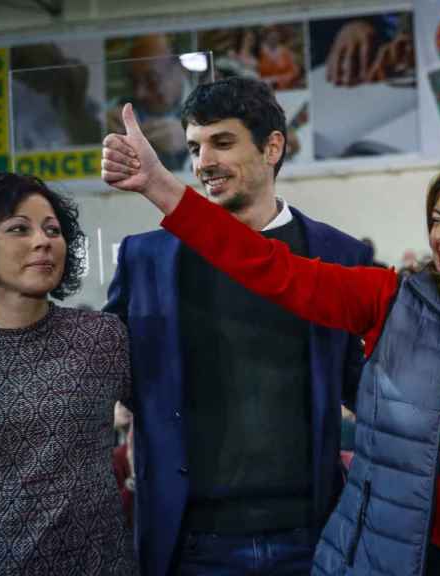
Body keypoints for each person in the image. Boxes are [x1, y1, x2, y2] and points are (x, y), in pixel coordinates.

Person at [102, 99, 440, 573]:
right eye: (436, 219)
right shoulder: (392, 300)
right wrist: (160, 187)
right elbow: (267, 267)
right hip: (415, 561)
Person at [102, 77, 371, 576]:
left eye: (222, 142)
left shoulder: (340, 256)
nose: (203, 162)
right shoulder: (146, 259)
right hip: (193, 544)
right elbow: (95, 379)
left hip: (313, 539)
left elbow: (372, 393)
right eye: (194, 147)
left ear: (273, 148)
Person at [0, 173, 135, 574]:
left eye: (52, 229)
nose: (43, 241)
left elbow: (168, 414)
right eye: (19, 228)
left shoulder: (101, 338)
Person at [107, 33, 191, 170]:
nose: (140, 93)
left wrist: (191, 139)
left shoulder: (210, 103)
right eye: (133, 81)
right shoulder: (118, 107)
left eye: (152, 80)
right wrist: (102, 130)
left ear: (181, 69)